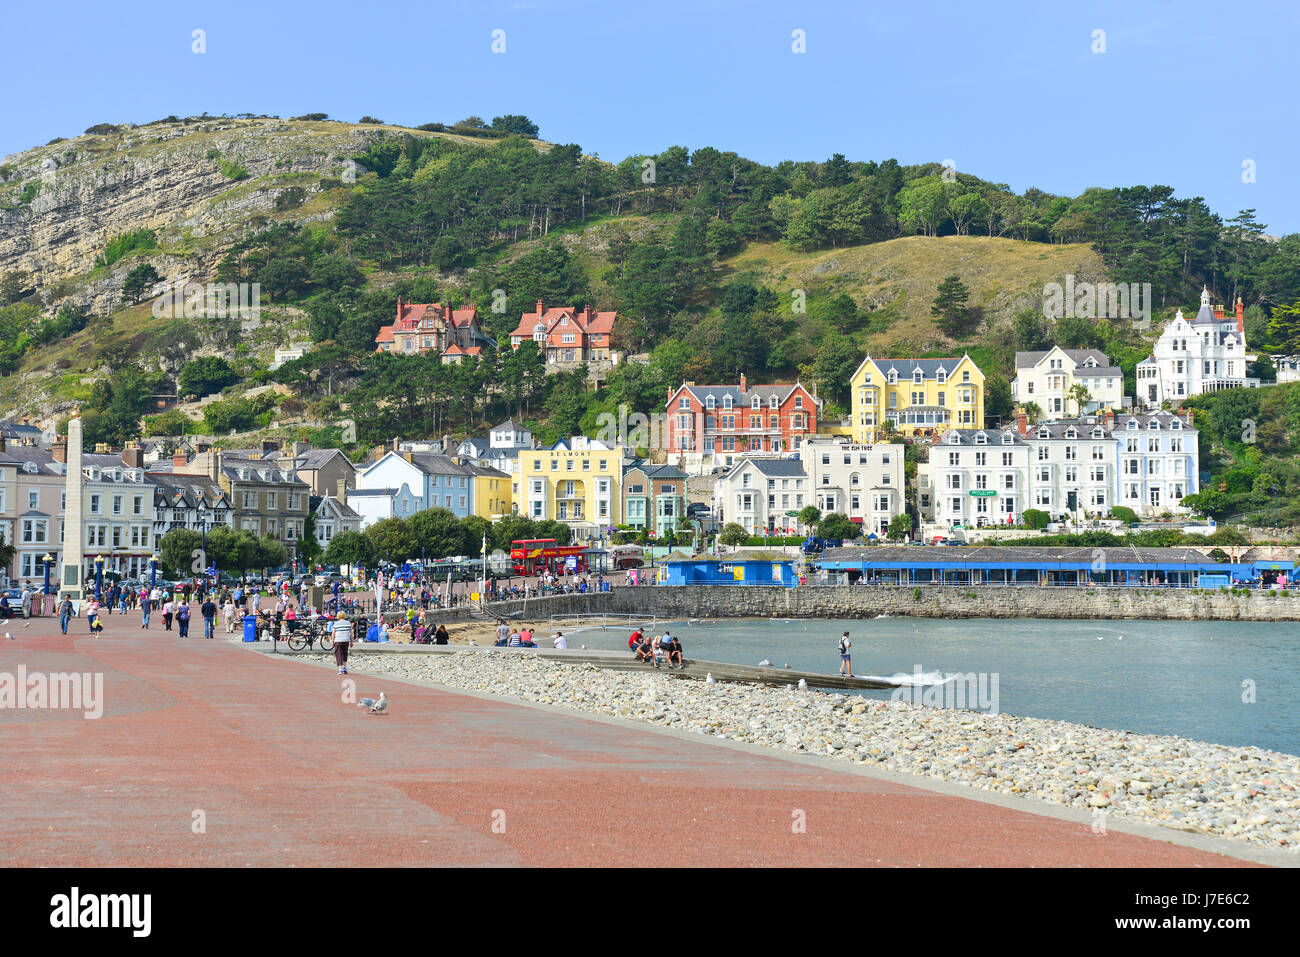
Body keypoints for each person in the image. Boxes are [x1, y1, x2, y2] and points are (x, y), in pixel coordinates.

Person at [332, 611, 353, 675]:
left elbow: (333, 633)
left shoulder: (336, 623)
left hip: (338, 640)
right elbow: (351, 633)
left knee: (339, 654)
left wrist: (332, 641)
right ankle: (345, 667)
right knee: (345, 653)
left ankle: (340, 669)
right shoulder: (348, 623)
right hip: (346, 640)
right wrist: (352, 641)